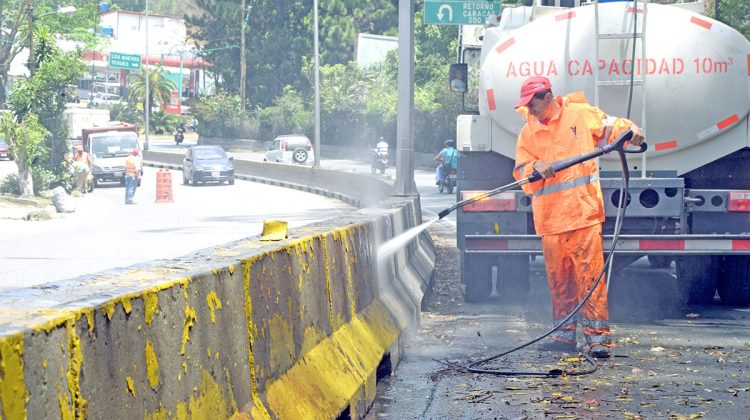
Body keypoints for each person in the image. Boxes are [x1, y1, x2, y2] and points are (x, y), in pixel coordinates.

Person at [512, 76, 644, 359]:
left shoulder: (579, 114)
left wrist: (632, 130)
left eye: (532, 104)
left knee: (590, 277)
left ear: (548, 97)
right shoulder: (528, 132)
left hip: (582, 214)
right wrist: (536, 166)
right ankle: (563, 336)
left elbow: (613, 127)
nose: (530, 111)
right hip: (550, 220)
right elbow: (521, 170)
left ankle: (598, 339)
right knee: (559, 280)